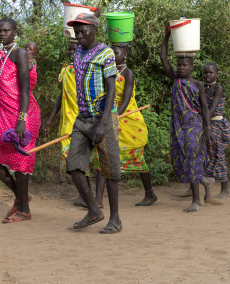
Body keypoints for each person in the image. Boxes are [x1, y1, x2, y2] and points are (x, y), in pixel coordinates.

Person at [0, 18, 41, 223]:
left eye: (6, 31)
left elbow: (25, 89)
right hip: (2, 113)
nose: (2, 34)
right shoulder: (2, 54)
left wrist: (22, 120)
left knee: (21, 158)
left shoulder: (19, 53)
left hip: (22, 113)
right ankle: (20, 197)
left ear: (15, 32)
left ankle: (24, 210)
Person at [65, 12, 122, 234]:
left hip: (103, 118)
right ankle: (93, 210)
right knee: (73, 165)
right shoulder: (78, 52)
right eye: (76, 32)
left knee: (110, 169)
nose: (79, 36)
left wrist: (103, 123)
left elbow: (111, 91)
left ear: (94, 30)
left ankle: (115, 219)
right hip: (82, 118)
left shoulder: (106, 53)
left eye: (83, 31)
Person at [94, 43, 158, 207]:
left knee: (138, 160)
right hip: (111, 119)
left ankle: (149, 193)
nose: (112, 56)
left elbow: (125, 101)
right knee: (103, 157)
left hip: (128, 122)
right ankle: (98, 200)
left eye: (115, 53)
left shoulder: (128, 74)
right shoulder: (107, 72)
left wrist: (112, 117)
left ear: (125, 54)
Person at [160, 22, 213, 212]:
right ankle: (205, 181)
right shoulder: (175, 80)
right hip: (178, 127)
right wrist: (167, 35)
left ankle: (197, 201)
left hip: (194, 127)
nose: (181, 68)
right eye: (179, 65)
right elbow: (163, 57)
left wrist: (208, 129)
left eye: (184, 65)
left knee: (191, 160)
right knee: (181, 159)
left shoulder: (197, 85)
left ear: (191, 67)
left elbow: (206, 109)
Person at [42, 39, 99, 206]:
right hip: (68, 122)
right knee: (71, 158)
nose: (71, 52)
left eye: (75, 50)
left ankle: (89, 198)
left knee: (81, 159)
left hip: (84, 120)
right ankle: (85, 195)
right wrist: (50, 119)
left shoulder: (89, 69)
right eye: (69, 50)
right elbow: (62, 96)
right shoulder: (66, 71)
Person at [202, 62, 230, 199]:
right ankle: (195, 187)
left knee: (217, 154)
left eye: (211, 73)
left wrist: (207, 128)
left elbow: (211, 109)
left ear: (217, 74)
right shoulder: (202, 88)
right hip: (206, 124)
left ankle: (225, 189)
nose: (208, 75)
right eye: (205, 73)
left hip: (217, 124)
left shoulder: (218, 88)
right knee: (200, 155)